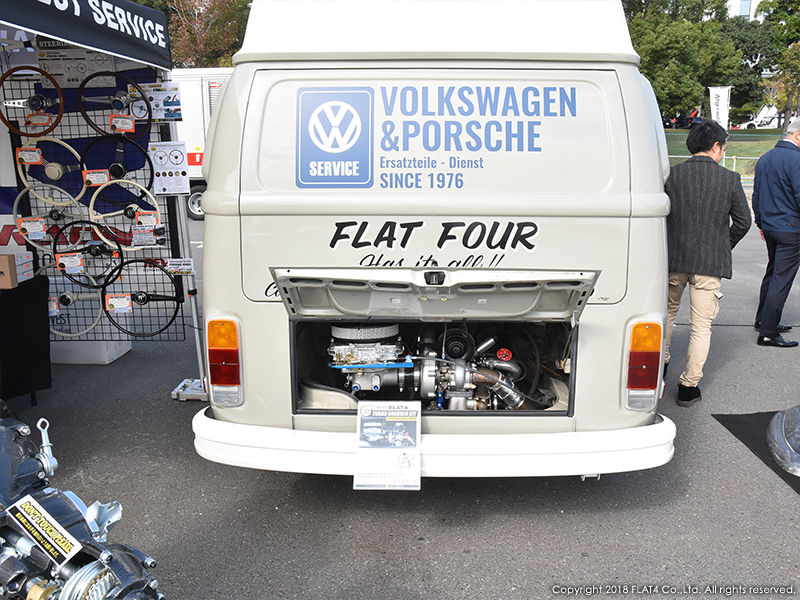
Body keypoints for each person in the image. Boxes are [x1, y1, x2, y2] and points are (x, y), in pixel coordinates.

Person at [664, 119, 752, 407]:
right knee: (701, 326)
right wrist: (722, 245)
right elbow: (743, 222)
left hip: (674, 259)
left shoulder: (672, 176)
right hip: (709, 264)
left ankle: (660, 368)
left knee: (666, 315)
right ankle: (688, 387)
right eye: (723, 148)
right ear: (716, 146)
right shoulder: (730, 179)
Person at [752, 117, 800, 348]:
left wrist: (761, 223)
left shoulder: (765, 158)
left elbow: (757, 195)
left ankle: (764, 320)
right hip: (790, 228)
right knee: (781, 279)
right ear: (798, 135)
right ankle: (768, 333)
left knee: (772, 274)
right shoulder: (796, 160)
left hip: (771, 226)